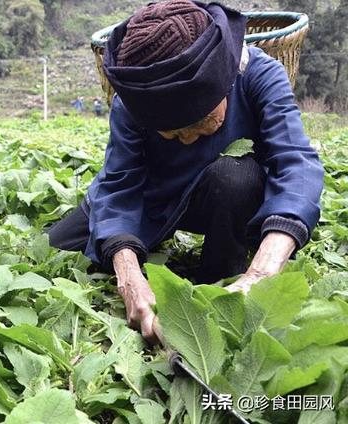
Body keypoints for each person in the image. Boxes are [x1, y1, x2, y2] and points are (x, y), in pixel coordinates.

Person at [47, 0, 324, 344]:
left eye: (201, 123)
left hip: (221, 192)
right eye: (173, 133)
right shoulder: (133, 102)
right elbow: (120, 183)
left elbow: (295, 162)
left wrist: (264, 269)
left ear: (223, 84)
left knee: (234, 177)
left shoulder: (259, 75)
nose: (188, 138)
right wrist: (129, 275)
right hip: (156, 192)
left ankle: (221, 281)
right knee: (59, 247)